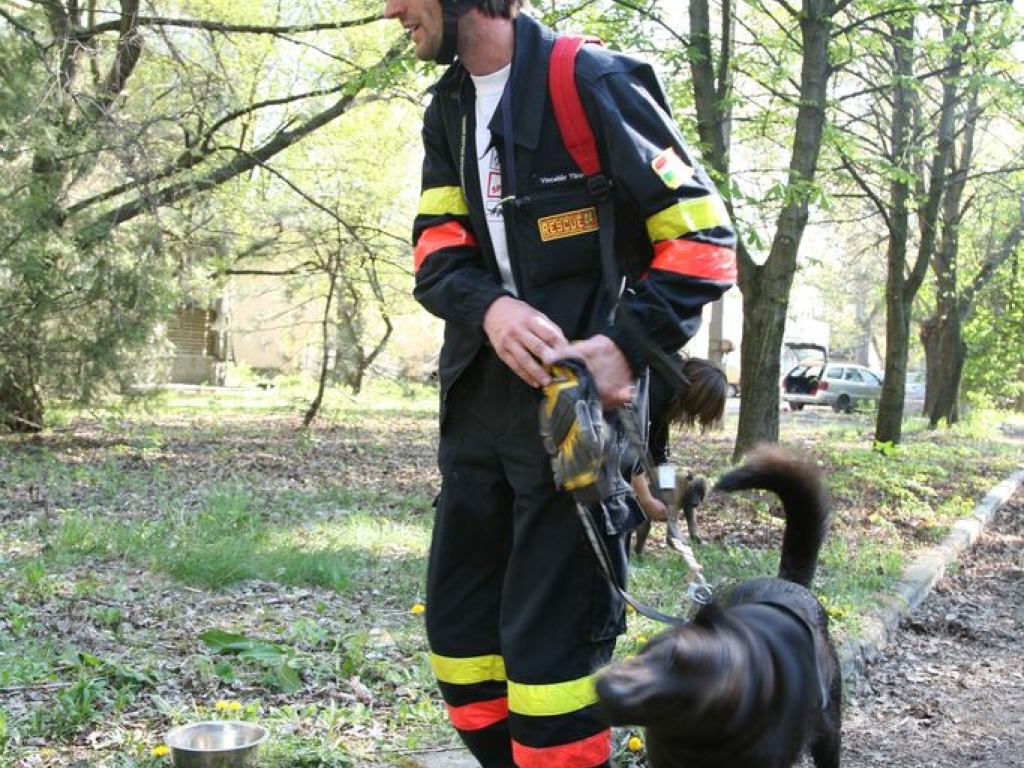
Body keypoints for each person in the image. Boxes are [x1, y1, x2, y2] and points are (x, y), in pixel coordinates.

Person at [382, 2, 736, 766]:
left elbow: (704, 241)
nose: (390, 10)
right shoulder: (447, 107)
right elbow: (436, 253)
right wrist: (493, 309)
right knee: (461, 645)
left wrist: (622, 348)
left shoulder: (592, 80)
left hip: (577, 426)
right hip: (479, 411)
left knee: (552, 673)